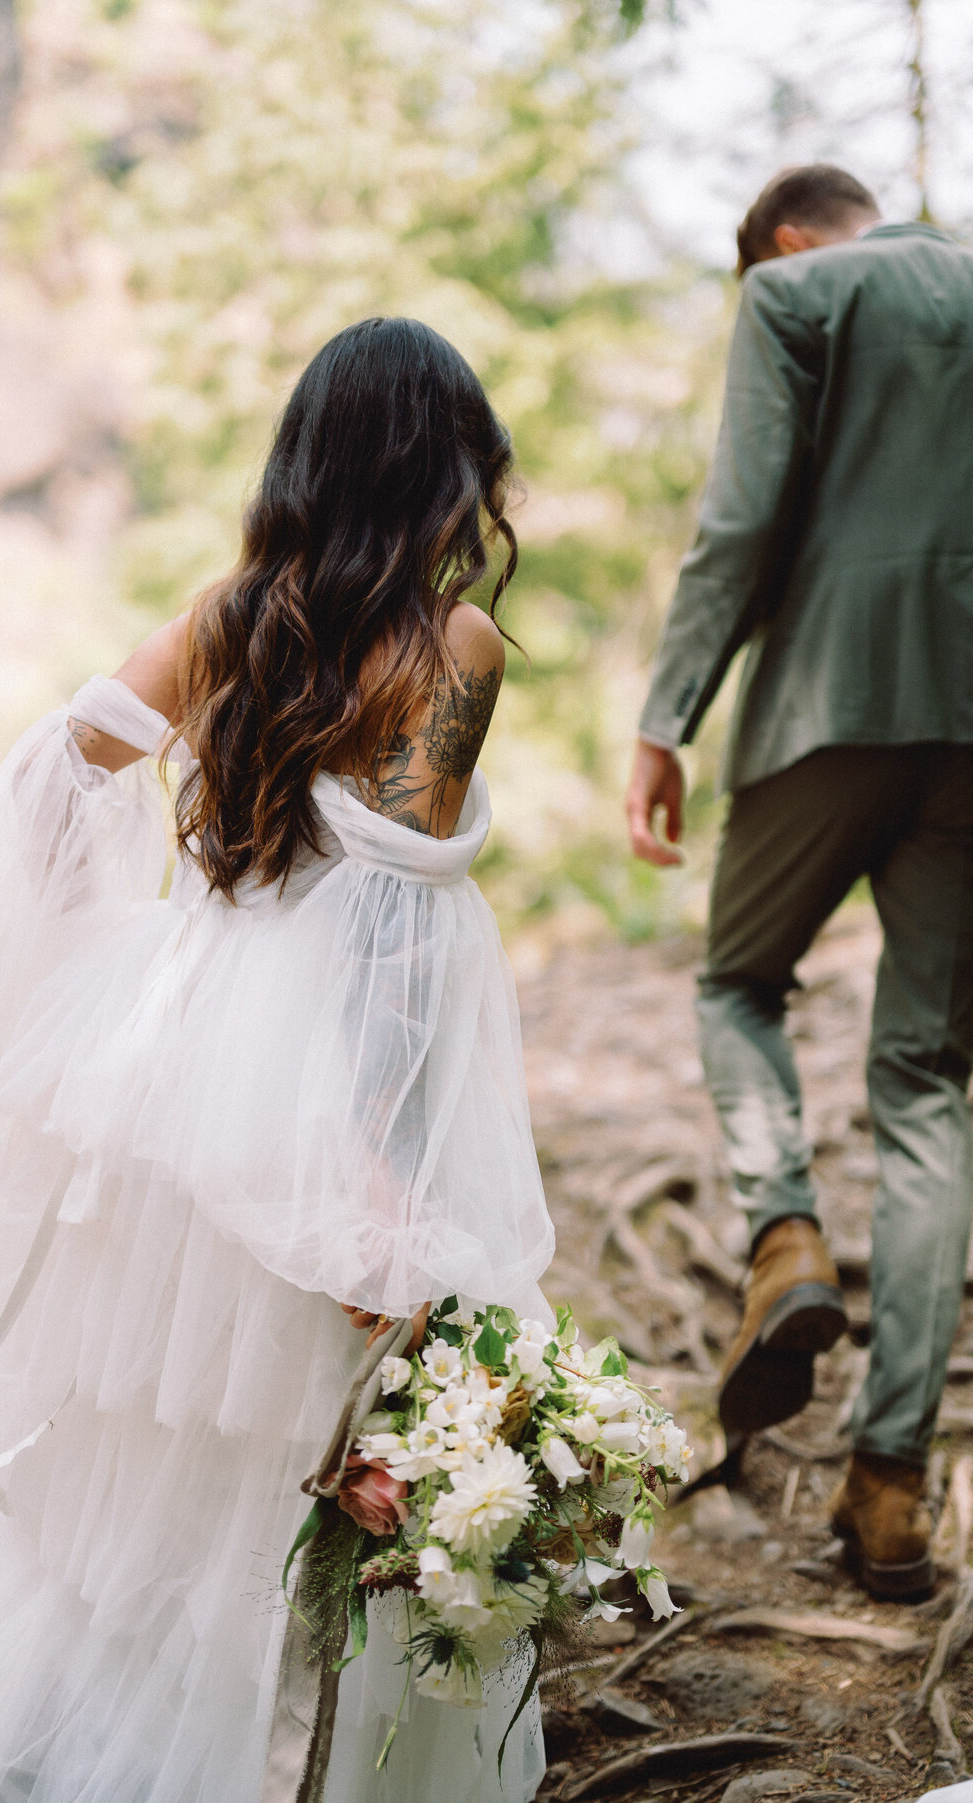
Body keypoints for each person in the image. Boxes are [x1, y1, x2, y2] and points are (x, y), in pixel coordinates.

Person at [0, 318, 555, 1801]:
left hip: (157, 1070)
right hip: (303, 1098)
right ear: (446, 467)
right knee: (254, 1466)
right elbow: (389, 935)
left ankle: (15, 1754)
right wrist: (376, 1179)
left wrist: (101, 960)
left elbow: (55, 767)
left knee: (98, 1463)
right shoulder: (451, 645)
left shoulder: (237, 613)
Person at [627, 164, 973, 1602]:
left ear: (776, 239)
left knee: (735, 982)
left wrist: (667, 717)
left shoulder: (794, 294)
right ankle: (891, 1490)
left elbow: (745, 515)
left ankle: (781, 1236)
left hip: (827, 706)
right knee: (930, 1084)